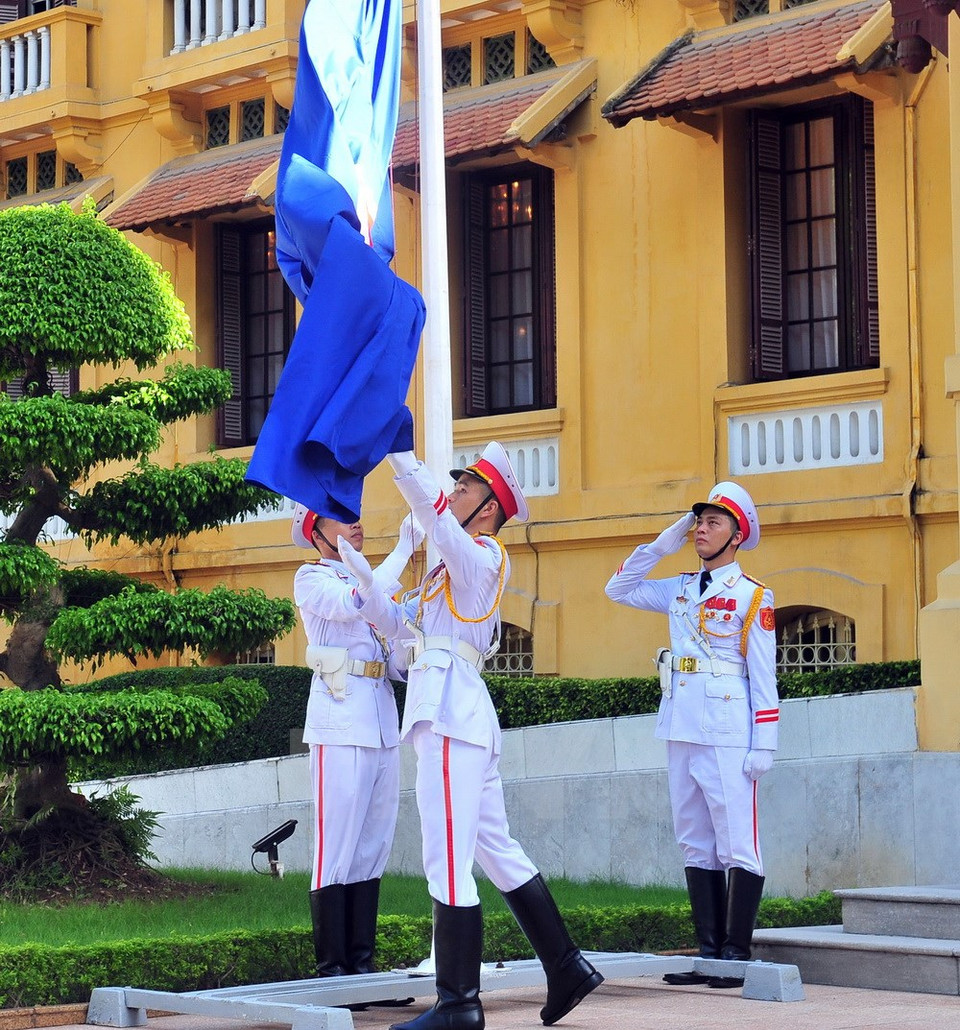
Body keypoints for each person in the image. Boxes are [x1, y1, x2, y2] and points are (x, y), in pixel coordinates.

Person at [337, 442, 603, 1030]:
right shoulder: (447, 570)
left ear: (487, 509)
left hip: (453, 718)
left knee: (446, 859)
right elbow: (404, 636)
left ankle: (459, 1004)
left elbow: (434, 515)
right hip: (453, 711)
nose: (452, 495)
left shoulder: (483, 558)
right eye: (452, 486)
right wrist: (365, 581)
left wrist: (399, 456)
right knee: (496, 850)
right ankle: (566, 966)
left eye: (463, 489)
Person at [604, 482, 779, 989]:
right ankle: (708, 952)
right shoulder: (679, 587)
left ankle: (736, 952)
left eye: (712, 523)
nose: (701, 530)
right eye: (698, 522)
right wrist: (663, 543)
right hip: (680, 724)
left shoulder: (752, 597)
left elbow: (763, 676)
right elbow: (617, 588)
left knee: (737, 840)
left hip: (727, 729)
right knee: (694, 839)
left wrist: (763, 743)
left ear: (737, 535)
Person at [292, 503, 421, 997]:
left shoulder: (368, 582)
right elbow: (361, 600)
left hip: (381, 722)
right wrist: (404, 549)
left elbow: (389, 656)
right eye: (342, 518)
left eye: (356, 515)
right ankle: (332, 969)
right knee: (337, 845)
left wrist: (411, 651)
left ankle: (362, 966)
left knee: (372, 845)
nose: (356, 524)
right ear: (318, 534)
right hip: (339, 722)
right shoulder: (313, 578)